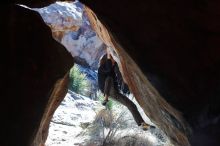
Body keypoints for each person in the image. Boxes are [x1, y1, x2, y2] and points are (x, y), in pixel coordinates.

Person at [98, 50, 155, 130]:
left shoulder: (111, 68)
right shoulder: (102, 68)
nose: (114, 59)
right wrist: (108, 57)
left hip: (114, 92)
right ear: (107, 60)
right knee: (109, 78)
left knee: (131, 105)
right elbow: (108, 69)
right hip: (108, 91)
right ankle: (105, 98)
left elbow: (116, 70)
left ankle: (142, 125)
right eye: (112, 58)